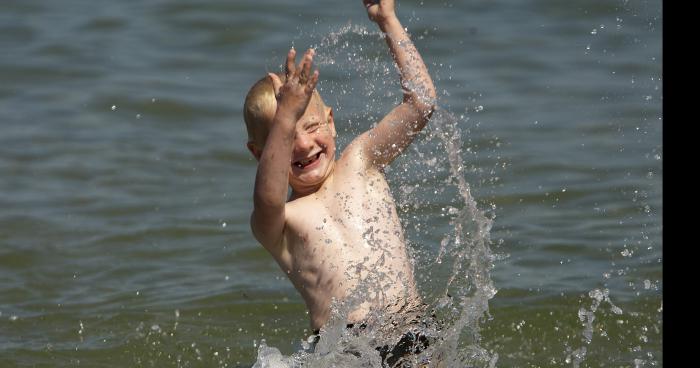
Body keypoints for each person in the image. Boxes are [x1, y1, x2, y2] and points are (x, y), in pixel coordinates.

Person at [242, 0, 437, 364]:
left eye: (311, 126)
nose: (302, 143)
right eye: (284, 139)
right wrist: (285, 117)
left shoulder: (361, 160)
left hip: (413, 330)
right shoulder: (281, 220)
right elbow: (266, 199)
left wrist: (388, 22)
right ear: (260, 154)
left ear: (330, 121)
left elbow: (421, 105)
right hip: (348, 349)